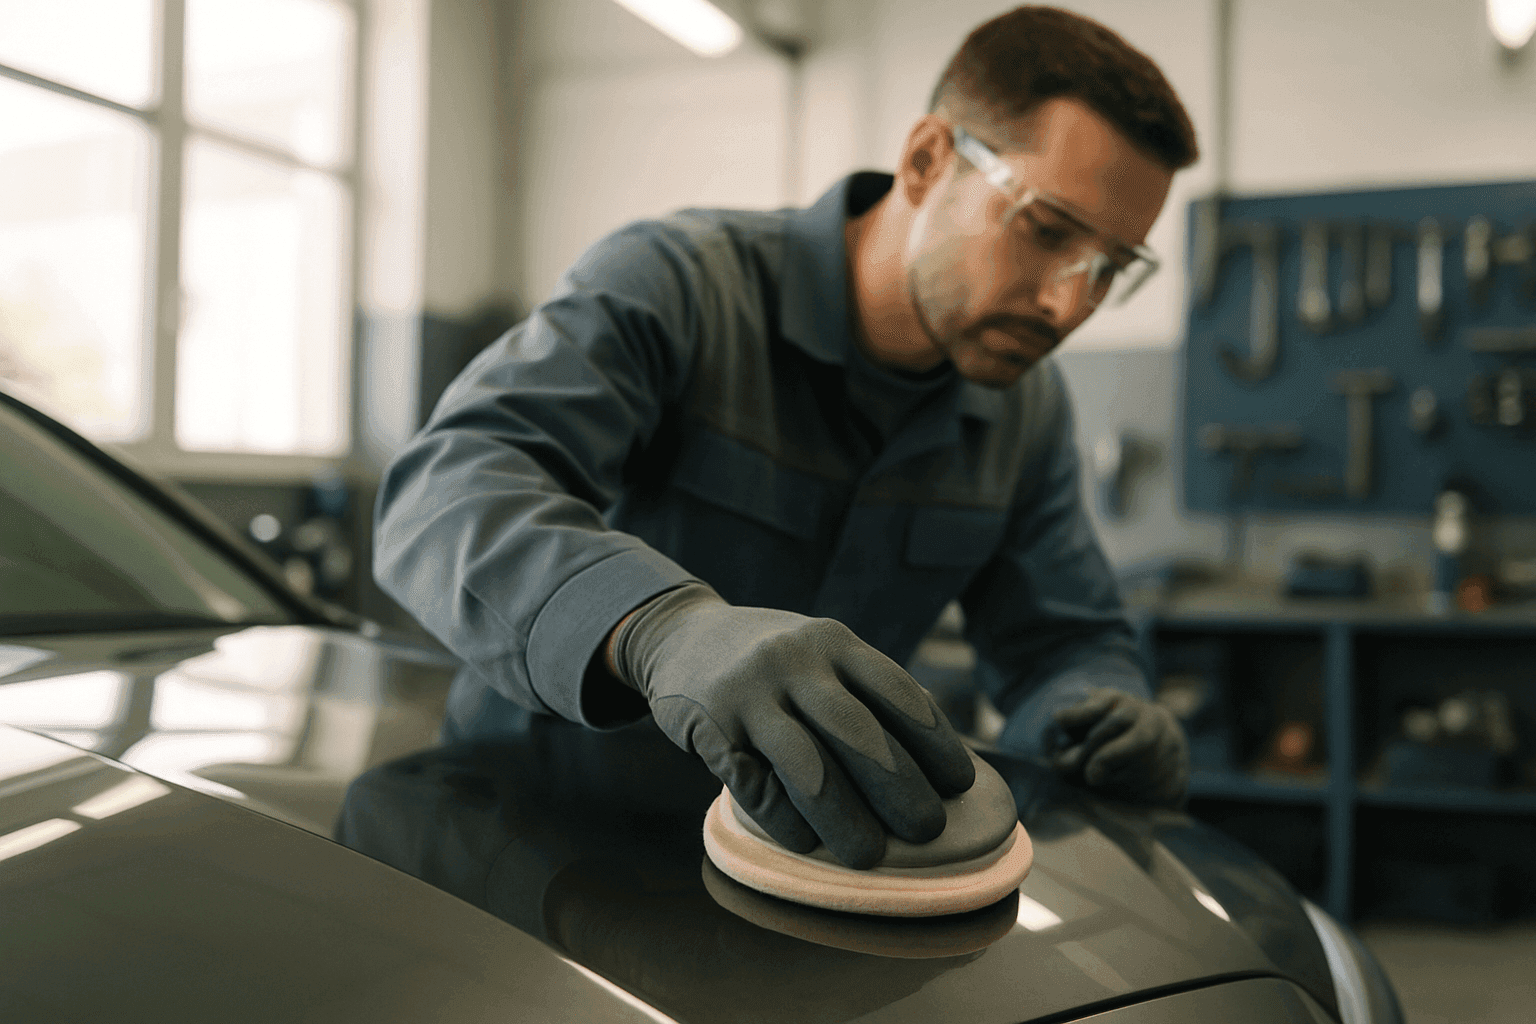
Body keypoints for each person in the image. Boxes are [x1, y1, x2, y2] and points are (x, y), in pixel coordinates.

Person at [375, 5, 1198, 870]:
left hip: (806, 869)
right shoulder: (681, 285)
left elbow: (1063, 638)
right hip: (538, 846)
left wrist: (1094, 705)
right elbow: (449, 487)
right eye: (1046, 230)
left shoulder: (1027, 410)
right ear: (926, 161)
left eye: (1110, 266)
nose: (1069, 303)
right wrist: (660, 629)